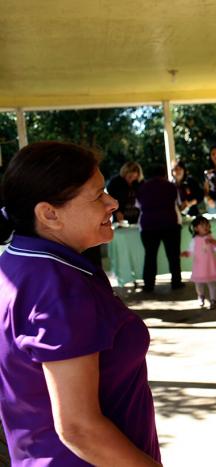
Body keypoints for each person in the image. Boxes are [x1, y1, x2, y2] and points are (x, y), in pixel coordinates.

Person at [0, 141, 161, 466]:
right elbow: (79, 428)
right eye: (98, 194)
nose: (112, 202)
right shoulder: (58, 287)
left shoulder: (19, 263)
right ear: (49, 214)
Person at [136, 164, 183, 291]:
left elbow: (138, 205)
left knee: (150, 256)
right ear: (164, 174)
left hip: (149, 225)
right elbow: (178, 203)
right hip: (170, 224)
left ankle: (149, 285)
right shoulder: (171, 186)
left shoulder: (142, 187)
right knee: (173, 256)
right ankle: (176, 282)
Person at [181, 216, 216, 310]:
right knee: (199, 283)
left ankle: (213, 300)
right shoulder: (194, 240)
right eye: (202, 225)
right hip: (199, 266)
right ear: (196, 228)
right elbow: (191, 251)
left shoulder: (211, 238)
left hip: (210, 265)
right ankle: (201, 296)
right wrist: (186, 253)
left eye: (207, 225)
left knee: (211, 283)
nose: (206, 227)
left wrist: (215, 242)